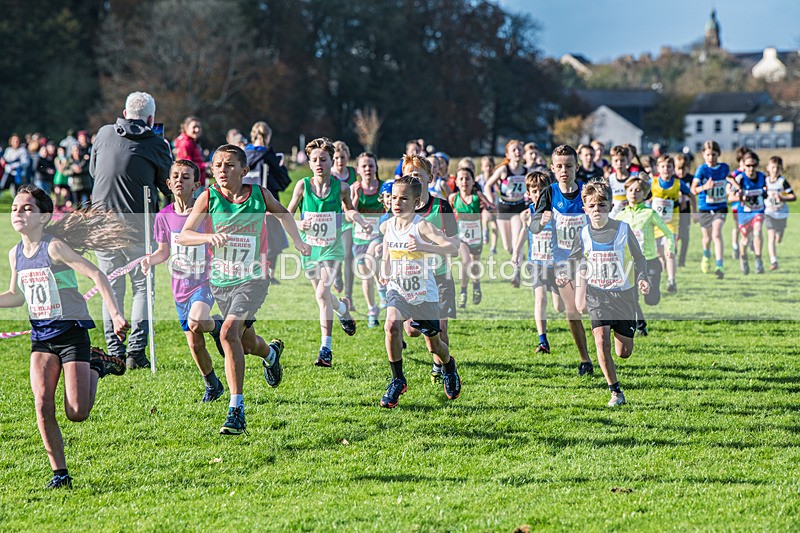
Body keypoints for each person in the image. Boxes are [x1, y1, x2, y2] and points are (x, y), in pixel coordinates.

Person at [1, 185, 131, 488]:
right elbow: (16, 296)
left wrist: (115, 314)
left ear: (44, 216)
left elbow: (97, 274)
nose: (18, 212)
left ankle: (97, 364)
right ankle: (59, 474)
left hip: (71, 333)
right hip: (42, 338)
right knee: (42, 403)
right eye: (14, 208)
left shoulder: (54, 247)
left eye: (27, 208)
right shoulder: (15, 254)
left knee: (77, 412)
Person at [180, 144, 311, 435]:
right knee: (246, 343)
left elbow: (283, 214)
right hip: (221, 282)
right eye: (217, 166)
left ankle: (236, 410)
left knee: (227, 333)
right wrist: (209, 237)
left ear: (244, 170)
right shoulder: (208, 198)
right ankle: (271, 354)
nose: (222, 171)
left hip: (253, 279)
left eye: (228, 165)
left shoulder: (259, 195)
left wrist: (298, 242)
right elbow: (184, 235)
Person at [90, 91, 172, 369]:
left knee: (111, 288)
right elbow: (167, 185)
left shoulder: (102, 134)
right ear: (151, 118)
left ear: (125, 114)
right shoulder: (156, 143)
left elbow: (93, 172)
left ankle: (115, 350)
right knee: (141, 288)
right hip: (139, 225)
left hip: (101, 222)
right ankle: (136, 352)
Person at [142, 160, 224, 402]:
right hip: (180, 288)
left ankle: (217, 327)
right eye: (175, 176)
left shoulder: (205, 214)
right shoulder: (163, 216)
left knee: (198, 321)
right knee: (195, 344)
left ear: (196, 184)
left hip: (204, 282)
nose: (180, 180)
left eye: (186, 177)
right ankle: (212, 384)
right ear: (168, 184)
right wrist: (150, 260)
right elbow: (163, 252)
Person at [563, 182, 650, 407]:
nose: (597, 210)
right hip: (597, 294)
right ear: (584, 208)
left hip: (623, 296)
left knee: (624, 352)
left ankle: (622, 333)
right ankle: (615, 392)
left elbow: (640, 259)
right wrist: (566, 273)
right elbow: (574, 258)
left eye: (602, 205)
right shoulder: (583, 234)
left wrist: (642, 278)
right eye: (591, 205)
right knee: (601, 341)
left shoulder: (623, 229)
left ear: (611, 206)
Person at [378, 175, 461, 408]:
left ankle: (449, 365)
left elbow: (453, 248)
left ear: (415, 203)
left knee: (435, 346)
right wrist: (383, 271)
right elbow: (387, 252)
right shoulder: (388, 226)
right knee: (391, 325)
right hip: (398, 289)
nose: (397, 202)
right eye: (394, 197)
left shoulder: (422, 225)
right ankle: (397, 380)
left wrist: (425, 246)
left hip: (424, 293)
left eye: (403, 198)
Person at [287, 137, 371, 367]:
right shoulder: (303, 186)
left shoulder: (341, 187)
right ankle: (343, 309)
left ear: (331, 161)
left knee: (322, 295)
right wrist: (298, 224)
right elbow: (287, 213)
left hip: (332, 249)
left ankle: (326, 349)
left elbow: (350, 211)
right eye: (314, 160)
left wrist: (362, 222)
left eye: (323, 159)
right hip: (309, 248)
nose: (318, 164)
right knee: (323, 296)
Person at [528, 145, 593, 375]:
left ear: (577, 167)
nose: (564, 170)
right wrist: (542, 221)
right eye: (560, 166)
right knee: (572, 312)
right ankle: (585, 360)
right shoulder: (549, 193)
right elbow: (533, 227)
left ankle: (605, 330)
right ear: (553, 169)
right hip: (562, 262)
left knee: (584, 306)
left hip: (587, 259)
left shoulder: (587, 191)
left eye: (569, 166)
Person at [401, 154, 460, 383]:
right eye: (408, 175)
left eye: (417, 175)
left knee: (441, 326)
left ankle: (441, 367)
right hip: (412, 278)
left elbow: (454, 244)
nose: (413, 178)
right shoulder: (401, 207)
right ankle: (437, 353)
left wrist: (428, 247)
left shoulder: (441, 206)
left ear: (430, 178)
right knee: (412, 331)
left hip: (440, 274)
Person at [513, 171, 565, 354]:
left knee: (560, 307)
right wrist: (516, 252)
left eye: (542, 190)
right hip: (537, 264)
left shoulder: (555, 212)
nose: (538, 194)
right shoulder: (527, 214)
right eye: (534, 191)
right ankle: (543, 341)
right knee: (540, 299)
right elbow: (523, 232)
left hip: (556, 265)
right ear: (528, 193)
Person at [616, 176, 675, 335]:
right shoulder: (620, 216)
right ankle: (640, 326)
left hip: (650, 261)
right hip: (630, 264)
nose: (633, 193)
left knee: (651, 299)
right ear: (626, 193)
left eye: (638, 190)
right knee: (631, 297)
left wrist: (670, 248)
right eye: (630, 190)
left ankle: (654, 290)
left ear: (644, 194)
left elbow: (669, 234)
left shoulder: (650, 213)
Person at [244, 121, 292, 283]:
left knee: (252, 236)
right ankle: (268, 273)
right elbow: (283, 180)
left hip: (247, 203)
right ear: (269, 135)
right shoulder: (269, 156)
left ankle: (255, 271)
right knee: (274, 237)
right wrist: (281, 167)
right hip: (268, 201)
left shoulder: (244, 155)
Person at [449, 167, 492, 309]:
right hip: (461, 237)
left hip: (476, 237)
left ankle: (476, 285)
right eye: (460, 178)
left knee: (474, 265)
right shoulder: (453, 198)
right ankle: (463, 291)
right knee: (466, 261)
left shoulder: (477, 196)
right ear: (456, 181)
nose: (464, 181)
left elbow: (493, 208)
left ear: (473, 181)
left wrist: (487, 208)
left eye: (467, 178)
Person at [350, 152, 385, 327]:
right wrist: (355, 197)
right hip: (359, 239)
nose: (368, 169)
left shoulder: (384, 187)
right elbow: (349, 216)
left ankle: (381, 288)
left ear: (376, 167)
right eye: (364, 166)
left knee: (373, 254)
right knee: (366, 277)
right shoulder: (354, 188)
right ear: (358, 169)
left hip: (379, 236)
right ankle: (372, 309)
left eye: (371, 165)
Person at [650, 155, 693, 292]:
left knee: (670, 252)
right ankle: (663, 265)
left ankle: (671, 281)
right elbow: (643, 194)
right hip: (655, 223)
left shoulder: (678, 183)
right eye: (663, 166)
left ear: (673, 168)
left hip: (671, 223)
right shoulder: (653, 182)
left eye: (669, 166)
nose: (666, 169)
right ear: (658, 168)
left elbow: (691, 195)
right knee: (659, 252)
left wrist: (695, 212)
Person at [691, 140, 729, 279]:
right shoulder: (701, 170)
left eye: (713, 154)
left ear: (718, 154)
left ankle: (720, 265)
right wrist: (704, 188)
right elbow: (693, 190)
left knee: (716, 234)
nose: (711, 157)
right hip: (705, 208)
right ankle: (706, 256)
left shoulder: (724, 168)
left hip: (720, 207)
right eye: (708, 154)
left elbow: (730, 180)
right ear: (703, 154)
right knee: (707, 238)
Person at [484, 140, 528, 262]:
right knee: (507, 246)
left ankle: (516, 274)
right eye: (513, 150)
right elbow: (487, 186)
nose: (517, 152)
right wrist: (490, 203)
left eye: (519, 149)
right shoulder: (503, 170)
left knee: (516, 243)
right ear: (508, 155)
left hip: (519, 208)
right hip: (503, 208)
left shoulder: (527, 171)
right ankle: (516, 255)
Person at [730, 152, 767, 274]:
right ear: (743, 165)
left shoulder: (762, 177)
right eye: (748, 165)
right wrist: (741, 198)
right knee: (745, 239)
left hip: (758, 210)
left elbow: (767, 193)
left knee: (757, 231)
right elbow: (730, 198)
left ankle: (758, 260)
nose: (751, 168)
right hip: (744, 213)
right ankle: (743, 257)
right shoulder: (740, 179)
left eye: (754, 165)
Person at [331, 140, 358, 304]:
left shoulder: (353, 173)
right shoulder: (329, 174)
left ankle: (348, 296)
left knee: (348, 255)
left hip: (349, 219)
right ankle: (337, 276)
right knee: (336, 256)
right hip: (332, 221)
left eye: (342, 157)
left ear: (347, 157)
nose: (340, 161)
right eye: (336, 158)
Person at [764, 156, 795, 270]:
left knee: (778, 237)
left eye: (777, 167)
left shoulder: (782, 182)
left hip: (781, 213)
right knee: (770, 236)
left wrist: (782, 198)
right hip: (769, 213)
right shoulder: (765, 181)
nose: (775, 170)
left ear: (781, 169)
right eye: (772, 167)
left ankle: (780, 234)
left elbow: (793, 196)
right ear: (768, 168)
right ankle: (774, 261)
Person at [173, 116, 207, 188]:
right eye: (194, 127)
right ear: (186, 128)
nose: (197, 130)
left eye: (199, 127)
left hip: (198, 182)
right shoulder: (185, 143)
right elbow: (187, 165)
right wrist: (205, 166)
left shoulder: (193, 142)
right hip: (193, 185)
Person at [476, 155, 499, 254]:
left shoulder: (496, 179)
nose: (488, 168)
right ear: (482, 167)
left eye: (490, 166)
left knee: (494, 224)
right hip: (484, 204)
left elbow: (499, 190)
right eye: (486, 166)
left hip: (494, 204)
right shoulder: (479, 179)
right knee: (485, 217)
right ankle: (485, 230)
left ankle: (493, 247)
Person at [674, 153, 694, 267]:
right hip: (675, 211)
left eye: (683, 169)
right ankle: (673, 256)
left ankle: (682, 260)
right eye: (678, 169)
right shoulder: (673, 180)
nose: (681, 172)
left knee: (685, 236)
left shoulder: (690, 179)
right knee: (675, 236)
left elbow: (694, 192)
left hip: (686, 211)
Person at [608, 145, 638, 219]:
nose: (619, 163)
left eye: (622, 160)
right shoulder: (609, 179)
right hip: (615, 218)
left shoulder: (635, 178)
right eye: (616, 160)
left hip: (632, 218)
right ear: (612, 162)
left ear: (627, 161)